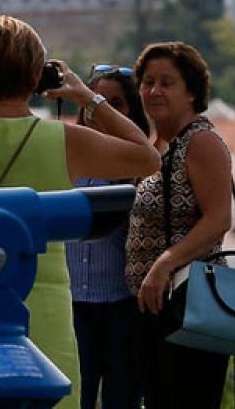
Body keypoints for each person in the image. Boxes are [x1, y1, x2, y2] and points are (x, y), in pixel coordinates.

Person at [0, 16, 160, 409]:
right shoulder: (62, 140)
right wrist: (86, 97)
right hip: (38, 311)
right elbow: (147, 158)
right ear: (36, 77)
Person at [123, 41, 232, 409]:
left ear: (191, 92)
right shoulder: (159, 146)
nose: (154, 90)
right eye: (148, 81)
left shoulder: (200, 141)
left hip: (189, 306)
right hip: (155, 307)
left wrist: (163, 265)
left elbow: (219, 219)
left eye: (167, 82)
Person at [66, 64, 148, 409]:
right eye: (97, 104)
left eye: (116, 104)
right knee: (76, 398)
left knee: (121, 399)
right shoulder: (67, 157)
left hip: (121, 307)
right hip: (73, 306)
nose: (104, 113)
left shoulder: (136, 166)